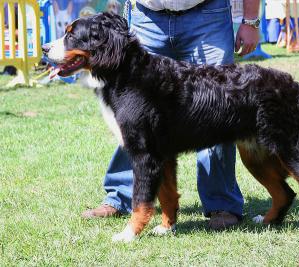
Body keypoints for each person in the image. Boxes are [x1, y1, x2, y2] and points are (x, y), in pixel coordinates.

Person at [82, 0, 260, 230]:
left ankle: (221, 204)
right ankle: (119, 197)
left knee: (218, 111)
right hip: (147, 17)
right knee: (133, 116)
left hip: (208, 15)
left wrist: (251, 21)